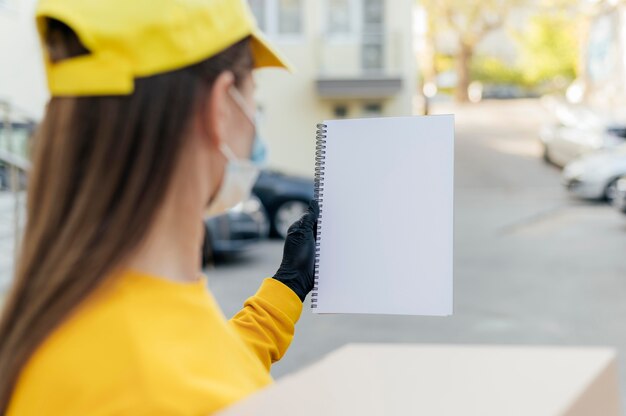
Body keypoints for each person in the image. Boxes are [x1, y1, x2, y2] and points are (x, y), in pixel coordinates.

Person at [0, 0, 318, 414]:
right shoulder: (160, 389)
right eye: (252, 100)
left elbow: (194, 363)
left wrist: (287, 289)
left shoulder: (64, 315)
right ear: (222, 107)